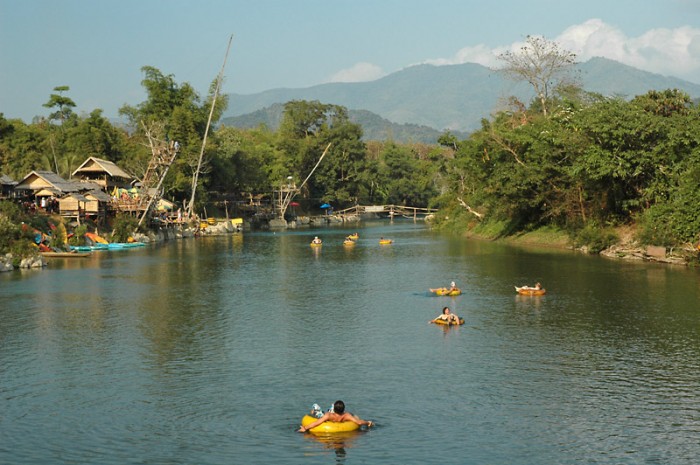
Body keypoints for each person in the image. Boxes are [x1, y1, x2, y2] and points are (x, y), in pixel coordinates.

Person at [298, 400, 373, 432]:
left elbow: (317, 422)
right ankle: (332, 406)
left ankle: (314, 411)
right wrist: (368, 422)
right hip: (338, 416)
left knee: (315, 406)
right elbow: (359, 422)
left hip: (326, 416)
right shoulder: (346, 415)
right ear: (343, 410)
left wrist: (305, 428)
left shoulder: (328, 415)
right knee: (332, 406)